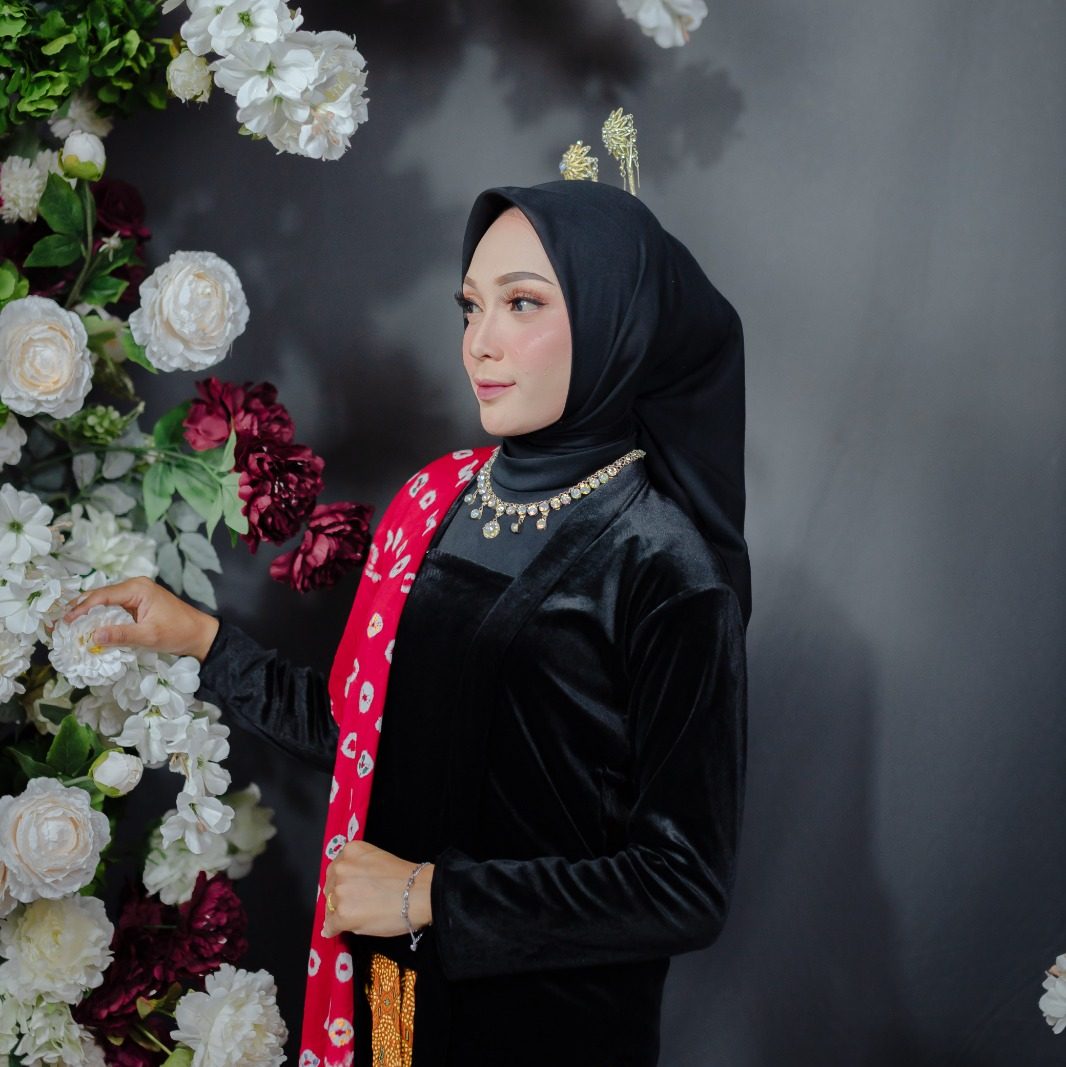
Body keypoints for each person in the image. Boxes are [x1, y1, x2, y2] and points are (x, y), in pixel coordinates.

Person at [64, 179, 750, 1067]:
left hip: (547, 1030)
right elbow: (364, 736)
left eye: (522, 304)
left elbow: (683, 885)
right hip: (390, 994)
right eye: (471, 306)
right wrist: (200, 638)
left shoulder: (663, 565)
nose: (479, 341)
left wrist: (427, 896)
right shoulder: (438, 499)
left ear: (615, 320)